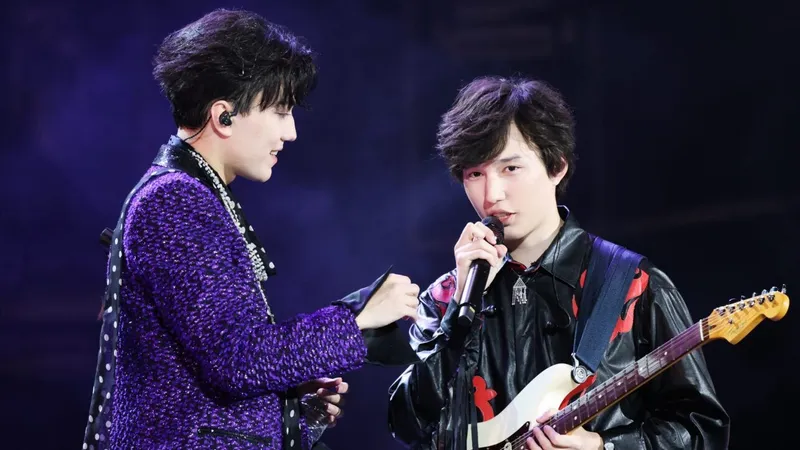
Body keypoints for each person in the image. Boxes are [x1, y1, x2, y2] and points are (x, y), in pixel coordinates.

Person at [81, 9, 420, 450]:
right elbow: (236, 359)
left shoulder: (190, 194)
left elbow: (215, 372)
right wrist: (357, 317)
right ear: (223, 116)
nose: (291, 131)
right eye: (280, 112)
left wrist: (292, 406)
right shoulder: (174, 200)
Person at [387, 76, 730, 450]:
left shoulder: (633, 285)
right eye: (475, 174)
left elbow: (702, 431)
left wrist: (603, 446)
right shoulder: (444, 299)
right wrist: (458, 314)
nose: (492, 194)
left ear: (557, 167)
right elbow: (408, 425)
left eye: (510, 168)